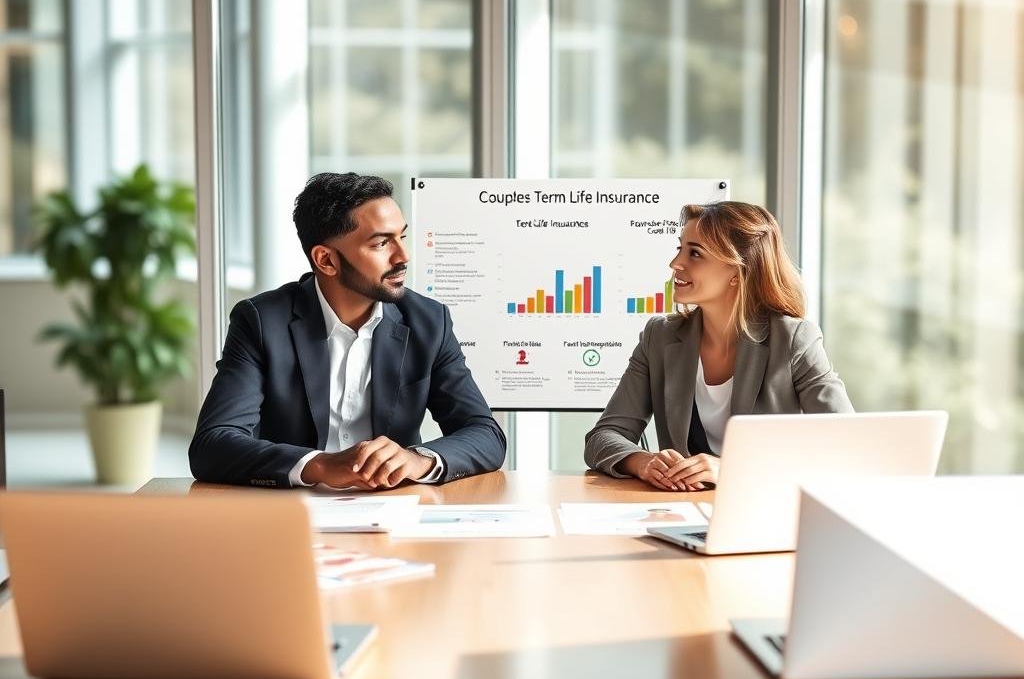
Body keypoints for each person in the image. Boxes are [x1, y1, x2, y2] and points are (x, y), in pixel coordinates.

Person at [189, 172, 506, 489]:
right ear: (326, 260)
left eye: (402, 237)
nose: (403, 256)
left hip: (396, 511)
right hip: (293, 514)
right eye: (381, 243)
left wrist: (417, 459)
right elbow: (212, 445)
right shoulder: (261, 321)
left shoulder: (428, 321)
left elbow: (485, 434)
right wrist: (319, 465)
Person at [584, 200, 852, 491]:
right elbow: (603, 436)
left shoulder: (793, 339)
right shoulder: (659, 337)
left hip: (764, 509)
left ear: (737, 271)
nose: (675, 264)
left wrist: (730, 470)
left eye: (695, 253)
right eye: (680, 248)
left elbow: (846, 443)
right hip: (682, 513)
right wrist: (642, 461)